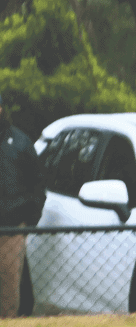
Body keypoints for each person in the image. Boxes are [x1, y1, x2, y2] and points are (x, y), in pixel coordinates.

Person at [0, 94, 44, 319]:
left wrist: (28, 221)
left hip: (11, 228)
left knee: (8, 289)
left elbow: (37, 184)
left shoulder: (19, 142)